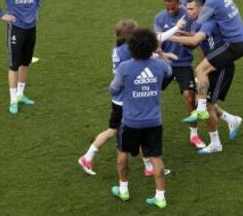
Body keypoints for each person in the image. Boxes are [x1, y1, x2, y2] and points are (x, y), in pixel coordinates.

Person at [78, 19, 182, 176]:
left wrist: (161, 54)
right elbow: (155, 41)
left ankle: (148, 166)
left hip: (120, 98)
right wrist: (177, 28)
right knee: (115, 131)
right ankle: (87, 157)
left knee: (129, 130)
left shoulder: (119, 48)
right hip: (126, 101)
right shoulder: (128, 50)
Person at [171, 0, 242, 153]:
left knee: (207, 104)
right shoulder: (199, 23)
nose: (188, 12)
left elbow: (195, 41)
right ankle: (232, 120)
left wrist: (167, 36)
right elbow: (196, 38)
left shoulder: (208, 23)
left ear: (201, 9)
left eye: (191, 9)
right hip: (212, 66)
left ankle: (216, 143)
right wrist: (181, 33)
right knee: (199, 100)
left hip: (221, 68)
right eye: (187, 8)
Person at [110, 28, 172, 209]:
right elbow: (169, 70)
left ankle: (123, 189)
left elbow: (113, 89)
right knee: (156, 157)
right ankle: (160, 197)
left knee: (123, 153)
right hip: (154, 121)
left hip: (131, 121)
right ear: (152, 46)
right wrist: (160, 53)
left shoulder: (125, 67)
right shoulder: (159, 65)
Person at [185, 0, 243, 122]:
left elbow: (197, 26)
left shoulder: (212, 1)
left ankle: (201, 110)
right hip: (237, 42)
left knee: (200, 70)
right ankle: (226, 118)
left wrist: (172, 32)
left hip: (233, 44)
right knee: (202, 73)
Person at [154, 0, 205, 149]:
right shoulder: (159, 18)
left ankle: (194, 135)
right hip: (165, 64)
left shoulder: (189, 15)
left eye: (173, 8)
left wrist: (189, 43)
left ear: (179, 4)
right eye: (167, 8)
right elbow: (156, 41)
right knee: (149, 93)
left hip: (183, 64)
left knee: (189, 97)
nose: (170, 11)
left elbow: (196, 40)